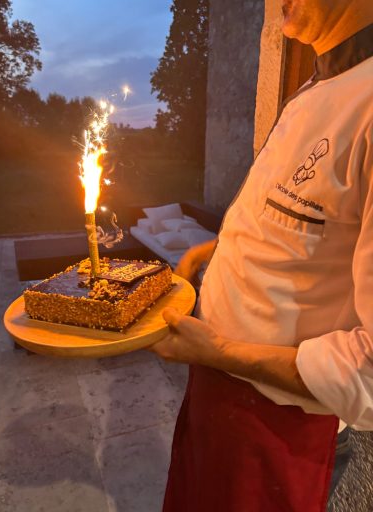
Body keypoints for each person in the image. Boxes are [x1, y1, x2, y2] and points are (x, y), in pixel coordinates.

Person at [149, 0, 373, 510]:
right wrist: (225, 248)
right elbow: (303, 226)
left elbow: (369, 369)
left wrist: (217, 352)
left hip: (280, 428)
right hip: (216, 394)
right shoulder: (317, 85)